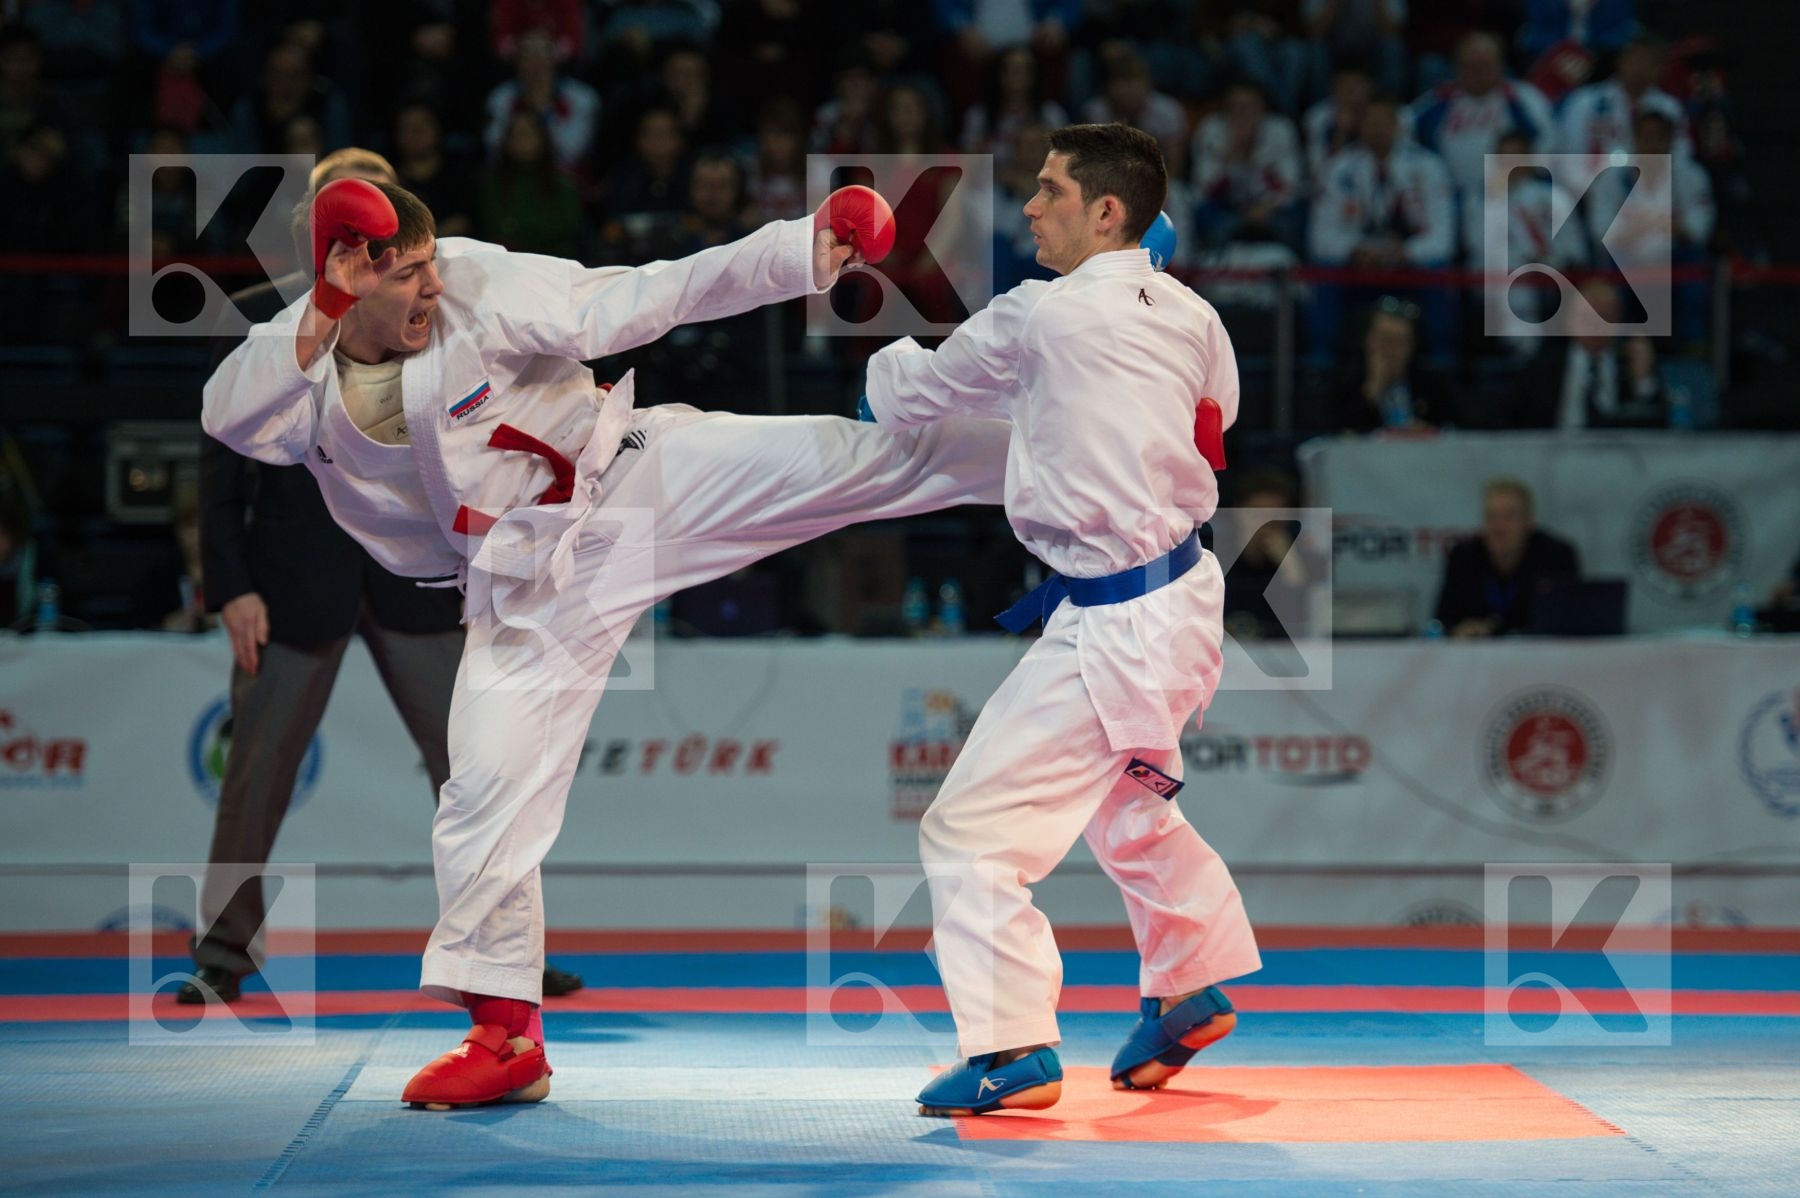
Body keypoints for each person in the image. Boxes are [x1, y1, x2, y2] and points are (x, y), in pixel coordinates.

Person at [202, 179, 1010, 1110]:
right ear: (345, 277)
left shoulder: (483, 285)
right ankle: (508, 1039)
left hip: (627, 486)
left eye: (431, 266)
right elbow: (227, 412)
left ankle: (1060, 449)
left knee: (850, 460)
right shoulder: (303, 366)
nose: (431, 289)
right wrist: (327, 307)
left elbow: (643, 296)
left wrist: (800, 247)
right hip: (524, 589)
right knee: (481, 792)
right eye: (408, 275)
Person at [860, 124, 1261, 1115]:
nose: (1030, 207)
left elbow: (913, 390)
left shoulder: (1040, 314)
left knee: (970, 832)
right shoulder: (1197, 315)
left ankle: (1010, 1047)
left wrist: (872, 377)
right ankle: (1188, 983)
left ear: (1107, 211)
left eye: (1048, 190)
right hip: (1185, 600)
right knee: (1125, 804)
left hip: (1112, 615)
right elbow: (1218, 417)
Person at [181, 148, 583, 1008]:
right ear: (317, 231)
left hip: (421, 583)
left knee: (479, 765)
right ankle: (222, 954)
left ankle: (509, 954)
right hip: (292, 584)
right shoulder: (262, 323)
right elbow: (217, 470)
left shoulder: (439, 311)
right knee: (255, 772)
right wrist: (232, 588)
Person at [1433, 477, 1579, 637]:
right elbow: (1442, 619)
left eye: (1509, 516)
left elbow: (1568, 619)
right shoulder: (1463, 557)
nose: (1499, 526)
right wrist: (1460, 629)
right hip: (1475, 657)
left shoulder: (1556, 555)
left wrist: (1496, 628)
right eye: (1492, 517)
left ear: (1528, 522)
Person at [1513, 278, 1665, 429]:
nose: (1595, 327)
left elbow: (1657, 423)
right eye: (1587, 318)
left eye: (1605, 317)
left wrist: (1642, 380)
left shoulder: (1631, 362)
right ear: (1569, 320)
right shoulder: (1544, 365)